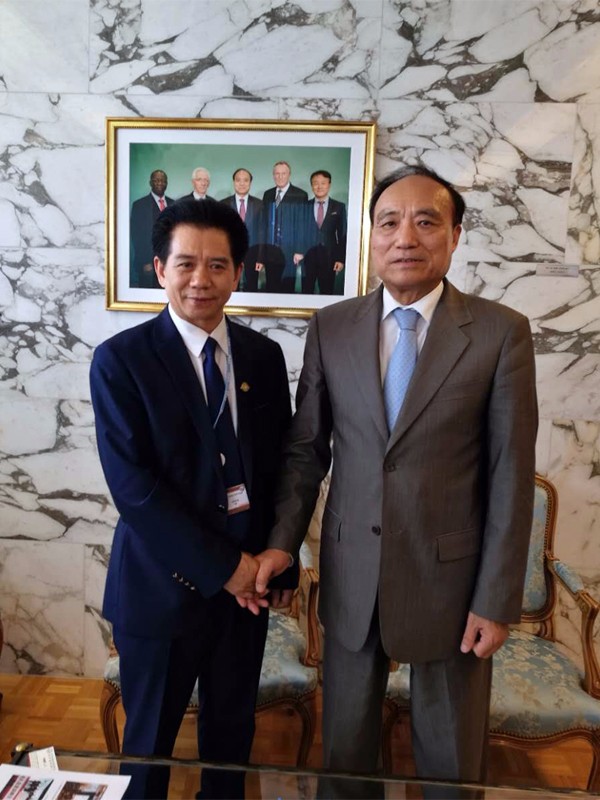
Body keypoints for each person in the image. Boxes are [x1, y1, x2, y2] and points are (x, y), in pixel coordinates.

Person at [250, 166, 538, 798]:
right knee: (345, 757)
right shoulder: (332, 327)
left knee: (450, 764)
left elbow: (510, 473)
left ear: (455, 235)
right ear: (371, 238)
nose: (405, 236)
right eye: (389, 222)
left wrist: (496, 598)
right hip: (353, 572)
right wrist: (280, 545)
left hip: (451, 583)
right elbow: (305, 453)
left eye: (426, 221)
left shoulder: (500, 332)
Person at [90, 198, 293, 799]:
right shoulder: (121, 361)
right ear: (160, 269)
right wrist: (227, 568)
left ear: (238, 272)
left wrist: (280, 560)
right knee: (148, 750)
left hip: (246, 597)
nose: (201, 279)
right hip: (161, 592)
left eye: (217, 265)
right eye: (185, 264)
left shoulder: (263, 357)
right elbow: (136, 491)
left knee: (230, 746)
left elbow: (278, 467)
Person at [260, 161, 308, 293]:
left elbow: (302, 224)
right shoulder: (268, 194)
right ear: (273, 175)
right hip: (271, 250)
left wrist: (299, 250)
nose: (280, 177)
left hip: (290, 251)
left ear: (289, 175)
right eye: (277, 173)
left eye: (283, 173)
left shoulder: (300, 195)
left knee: (287, 287)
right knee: (271, 287)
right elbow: (264, 223)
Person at [301, 170, 347, 295]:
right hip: (307, 257)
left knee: (327, 291)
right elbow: (300, 231)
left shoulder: (339, 207)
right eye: (315, 183)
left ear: (329, 185)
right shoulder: (304, 205)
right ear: (311, 186)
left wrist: (340, 259)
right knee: (306, 291)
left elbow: (342, 234)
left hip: (329, 258)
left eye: (323, 183)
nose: (319, 186)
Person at [221, 168, 264, 292]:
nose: (242, 183)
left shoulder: (259, 204)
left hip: (253, 254)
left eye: (245, 180)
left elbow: (262, 232)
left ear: (250, 183)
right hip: (230, 253)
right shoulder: (224, 204)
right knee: (230, 288)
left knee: (252, 288)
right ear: (234, 182)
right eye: (238, 180)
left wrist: (260, 258)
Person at [129, 169, 173, 289]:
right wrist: (145, 262)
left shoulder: (174, 204)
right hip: (148, 266)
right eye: (156, 180)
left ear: (167, 183)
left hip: (170, 265)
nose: (160, 183)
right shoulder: (139, 205)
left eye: (163, 180)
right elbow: (136, 237)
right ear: (150, 183)